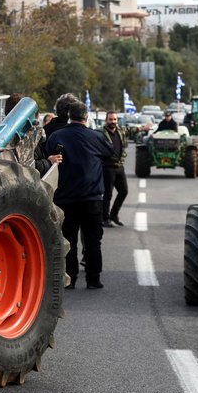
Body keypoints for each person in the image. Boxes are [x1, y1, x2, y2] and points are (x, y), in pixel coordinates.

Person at [46, 102, 109, 290]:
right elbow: (110, 154)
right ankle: (93, 278)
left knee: (68, 239)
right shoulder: (96, 137)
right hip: (92, 198)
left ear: (69, 116)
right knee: (93, 240)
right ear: (86, 117)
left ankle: (70, 278)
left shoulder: (57, 136)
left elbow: (47, 155)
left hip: (66, 198)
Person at [101, 110, 127, 227]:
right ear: (106, 120)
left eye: (115, 119)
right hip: (107, 168)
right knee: (108, 194)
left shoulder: (120, 131)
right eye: (111, 119)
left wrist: (142, 128)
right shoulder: (101, 133)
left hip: (119, 167)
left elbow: (131, 130)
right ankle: (105, 218)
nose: (113, 122)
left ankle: (114, 215)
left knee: (124, 191)